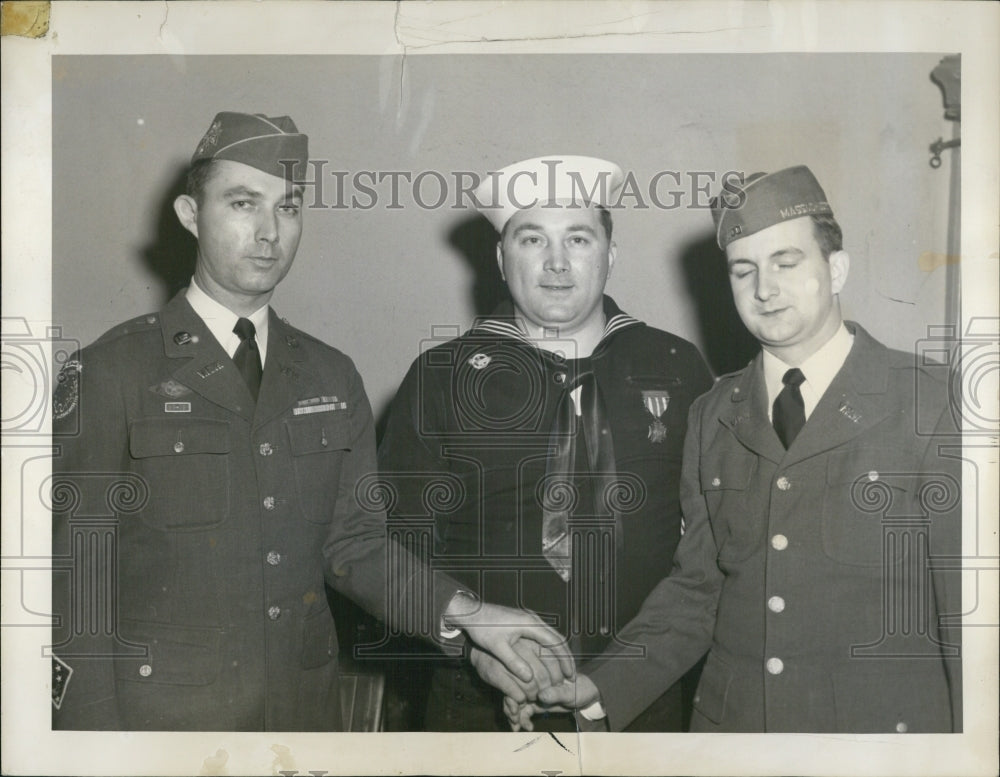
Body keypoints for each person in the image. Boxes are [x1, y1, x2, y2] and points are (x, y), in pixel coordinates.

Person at [49, 112, 572, 731]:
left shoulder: (329, 375)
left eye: (288, 208)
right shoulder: (112, 371)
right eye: (243, 203)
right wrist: (90, 746)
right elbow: (74, 583)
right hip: (165, 729)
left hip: (301, 720)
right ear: (190, 215)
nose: (269, 231)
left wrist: (472, 617)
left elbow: (355, 546)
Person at [515, 165, 963, 733]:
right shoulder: (713, 414)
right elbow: (700, 590)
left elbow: (971, 616)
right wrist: (602, 684)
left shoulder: (931, 401)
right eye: (743, 270)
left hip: (874, 747)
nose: (764, 289)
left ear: (836, 269)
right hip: (734, 737)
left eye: (785, 263)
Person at [377, 155, 714, 731]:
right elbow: (389, 551)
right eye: (532, 239)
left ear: (611, 254)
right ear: (500, 258)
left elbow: (707, 554)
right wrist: (470, 645)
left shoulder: (676, 366)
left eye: (578, 239)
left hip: (641, 705)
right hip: (479, 707)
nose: (557, 262)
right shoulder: (441, 378)